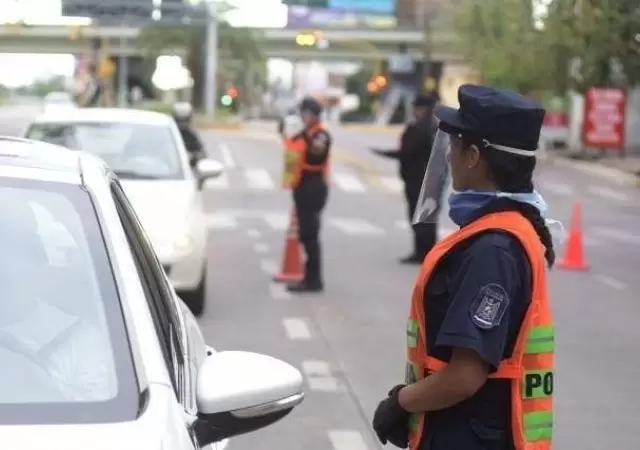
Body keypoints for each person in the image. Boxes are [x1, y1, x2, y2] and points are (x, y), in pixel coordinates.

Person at [372, 84, 556, 450]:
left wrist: (400, 403)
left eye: (453, 147)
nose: (449, 158)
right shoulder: (503, 230)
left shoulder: (493, 249)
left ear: (473, 156)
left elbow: (465, 375)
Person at [372, 93, 439, 264]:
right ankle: (426, 252)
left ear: (423, 109)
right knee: (427, 218)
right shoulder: (434, 127)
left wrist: (385, 153)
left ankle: (422, 253)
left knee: (419, 218)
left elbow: (408, 152)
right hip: (432, 178)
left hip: (419, 178)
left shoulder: (420, 128)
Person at [279, 97, 331, 293]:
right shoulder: (305, 133)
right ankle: (309, 277)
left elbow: (316, 155)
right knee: (305, 234)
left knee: (310, 234)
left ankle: (314, 280)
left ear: (313, 114)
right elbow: (291, 147)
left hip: (313, 186)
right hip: (301, 186)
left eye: (305, 113)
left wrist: (304, 136)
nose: (302, 116)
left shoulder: (321, 135)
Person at [172, 102, 205, 166]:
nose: (182, 123)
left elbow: (201, 154)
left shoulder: (190, 135)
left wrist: (193, 157)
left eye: (185, 119)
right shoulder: (168, 134)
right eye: (179, 120)